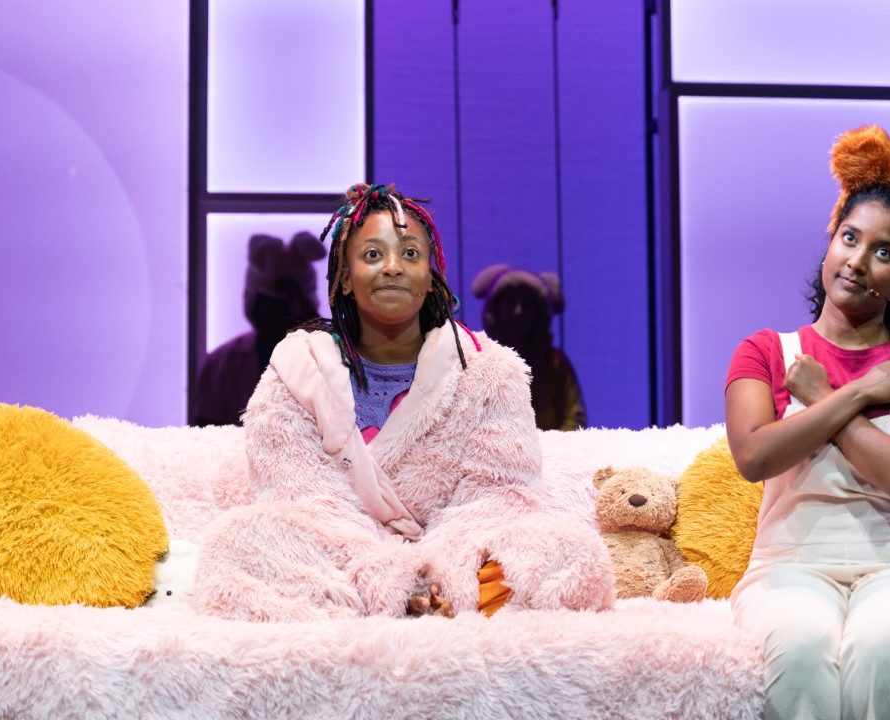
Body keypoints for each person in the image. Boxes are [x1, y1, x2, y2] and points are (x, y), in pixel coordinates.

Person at [192, 182, 614, 622]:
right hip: (343, 555)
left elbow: (498, 497)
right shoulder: (297, 371)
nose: (392, 267)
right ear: (344, 277)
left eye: (410, 254)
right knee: (237, 544)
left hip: (454, 554)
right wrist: (386, 574)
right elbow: (304, 501)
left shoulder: (491, 371)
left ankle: (412, 601)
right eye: (372, 255)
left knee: (571, 553)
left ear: (430, 276)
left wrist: (437, 570)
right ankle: (408, 602)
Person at [724, 126, 890, 720]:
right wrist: (852, 393)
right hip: (790, 566)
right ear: (830, 240)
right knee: (803, 646)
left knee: (880, 643)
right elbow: (753, 457)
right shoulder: (765, 350)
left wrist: (819, 400)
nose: (858, 262)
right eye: (849, 238)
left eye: (884, 252)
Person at [190, 231, 326, 426]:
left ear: (307, 307)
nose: (280, 316)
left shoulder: (336, 363)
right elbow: (202, 441)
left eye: (290, 305)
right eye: (271, 304)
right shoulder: (222, 364)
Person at [472, 264, 587, 430]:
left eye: (527, 305)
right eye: (510, 303)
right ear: (495, 309)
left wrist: (556, 449)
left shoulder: (554, 363)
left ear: (538, 313)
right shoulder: (479, 363)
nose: (518, 312)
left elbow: (575, 417)